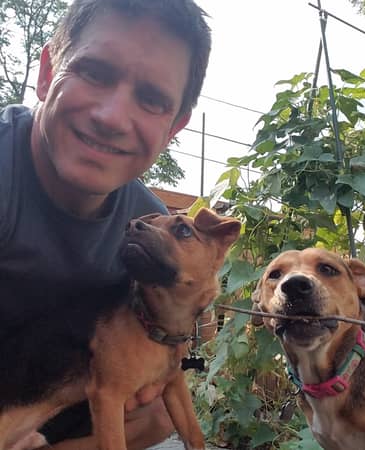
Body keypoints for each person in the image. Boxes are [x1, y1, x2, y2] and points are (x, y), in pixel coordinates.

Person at [0, 0, 211, 448]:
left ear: (174, 127)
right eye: (94, 72)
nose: (112, 117)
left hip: (57, 405)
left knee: (155, 415)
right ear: (46, 74)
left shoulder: (148, 227)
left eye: (151, 100)